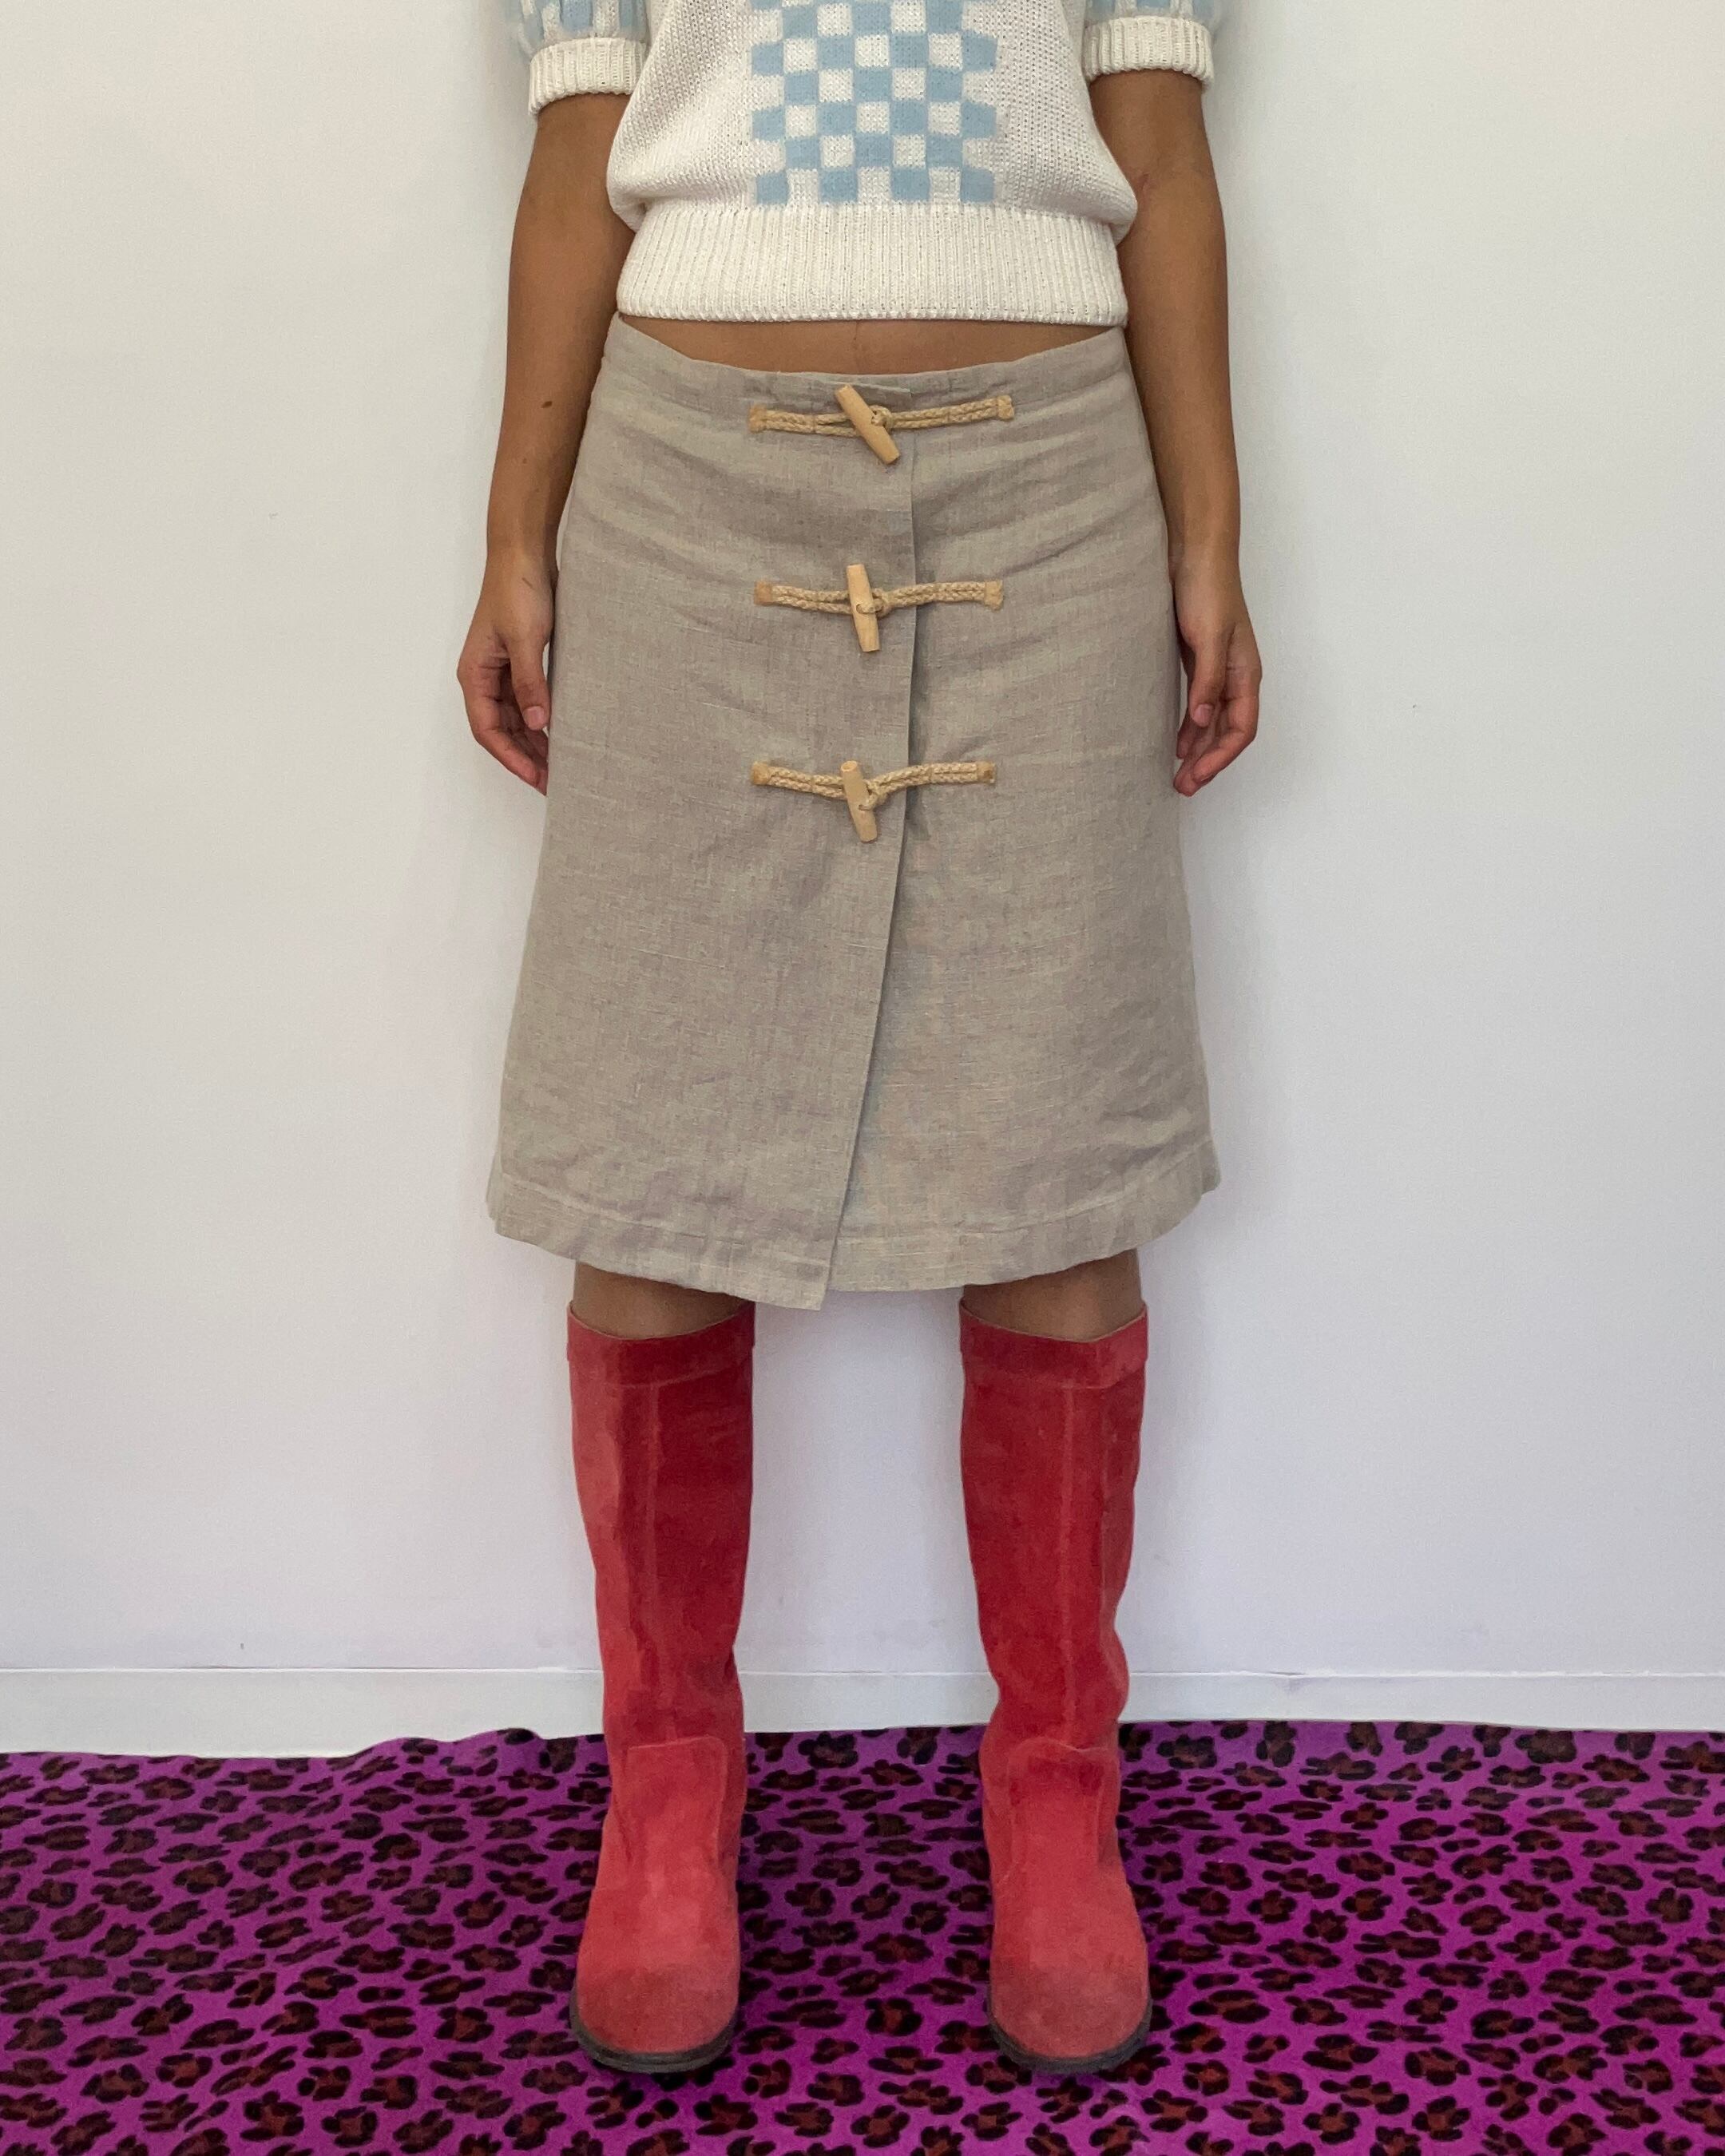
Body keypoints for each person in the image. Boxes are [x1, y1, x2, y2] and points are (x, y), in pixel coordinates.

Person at [458, 0, 1259, 2082]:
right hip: (684, 486)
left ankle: (1058, 1792)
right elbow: (578, 150)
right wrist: (514, 530)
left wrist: (1209, 534)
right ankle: (668, 1790)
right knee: (653, 1142)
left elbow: (1161, 148)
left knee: (1053, 1133)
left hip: (1053, 491)